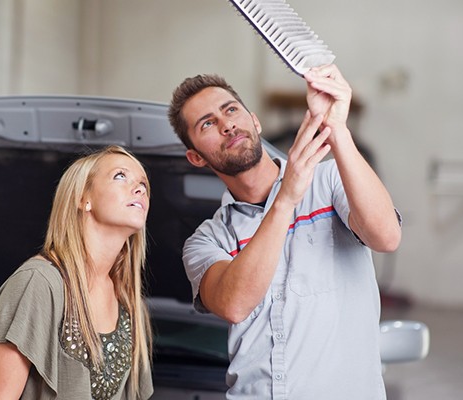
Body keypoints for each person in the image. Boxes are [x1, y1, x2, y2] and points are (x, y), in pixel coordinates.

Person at [167, 64, 402, 399]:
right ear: (195, 157)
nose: (226, 124)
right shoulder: (207, 240)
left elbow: (387, 237)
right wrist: (285, 199)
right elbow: (234, 304)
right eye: (208, 123)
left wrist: (337, 127)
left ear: (255, 120)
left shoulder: (331, 181)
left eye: (230, 110)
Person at [0, 145, 153, 399]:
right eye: (120, 176)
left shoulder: (129, 302)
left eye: (144, 185)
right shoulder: (38, 283)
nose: (139, 188)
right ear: (84, 198)